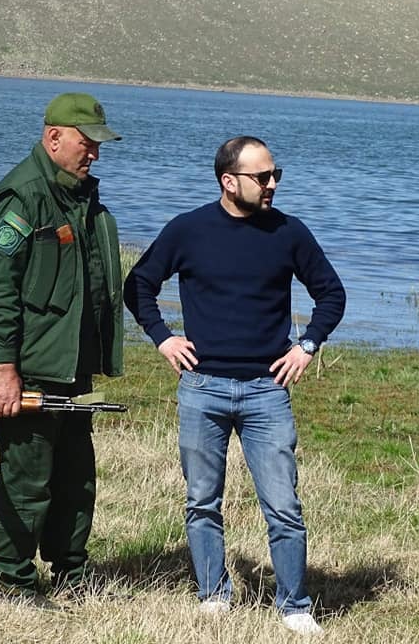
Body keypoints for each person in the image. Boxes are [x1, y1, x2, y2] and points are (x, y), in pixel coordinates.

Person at [123, 136, 345, 636]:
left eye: (275, 175)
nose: (272, 185)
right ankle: (213, 596)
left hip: (267, 390)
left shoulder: (289, 232)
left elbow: (331, 293)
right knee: (203, 501)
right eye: (262, 177)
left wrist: (307, 345)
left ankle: (294, 606)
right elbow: (138, 285)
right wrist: (162, 338)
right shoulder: (188, 230)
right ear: (229, 181)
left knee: (284, 507)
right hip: (202, 387)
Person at [0, 92, 125, 604]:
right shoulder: (24, 196)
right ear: (54, 137)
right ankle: (14, 581)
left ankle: (72, 574)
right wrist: (3, 370)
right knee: (28, 480)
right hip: (30, 368)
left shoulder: (80, 198)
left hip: (71, 367)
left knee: (76, 480)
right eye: (86, 143)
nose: (94, 153)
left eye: (99, 145)